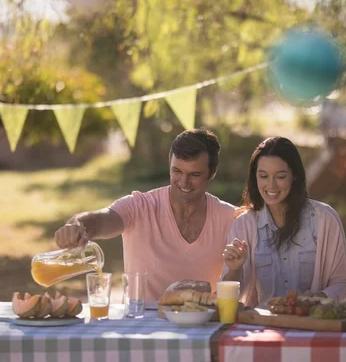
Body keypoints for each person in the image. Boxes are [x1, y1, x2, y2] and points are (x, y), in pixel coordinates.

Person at [54, 128, 236, 302]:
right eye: (177, 171)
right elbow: (100, 220)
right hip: (141, 321)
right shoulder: (139, 207)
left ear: (211, 173)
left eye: (194, 174)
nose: (184, 182)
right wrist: (77, 225)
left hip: (201, 323)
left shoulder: (229, 217)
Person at [221, 137, 346, 307]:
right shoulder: (243, 225)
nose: (271, 185)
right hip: (263, 326)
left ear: (294, 175)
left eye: (280, 176)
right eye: (263, 176)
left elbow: (341, 283)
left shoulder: (324, 219)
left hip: (311, 321)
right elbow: (228, 299)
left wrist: (318, 298)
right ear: (255, 177)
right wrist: (234, 269)